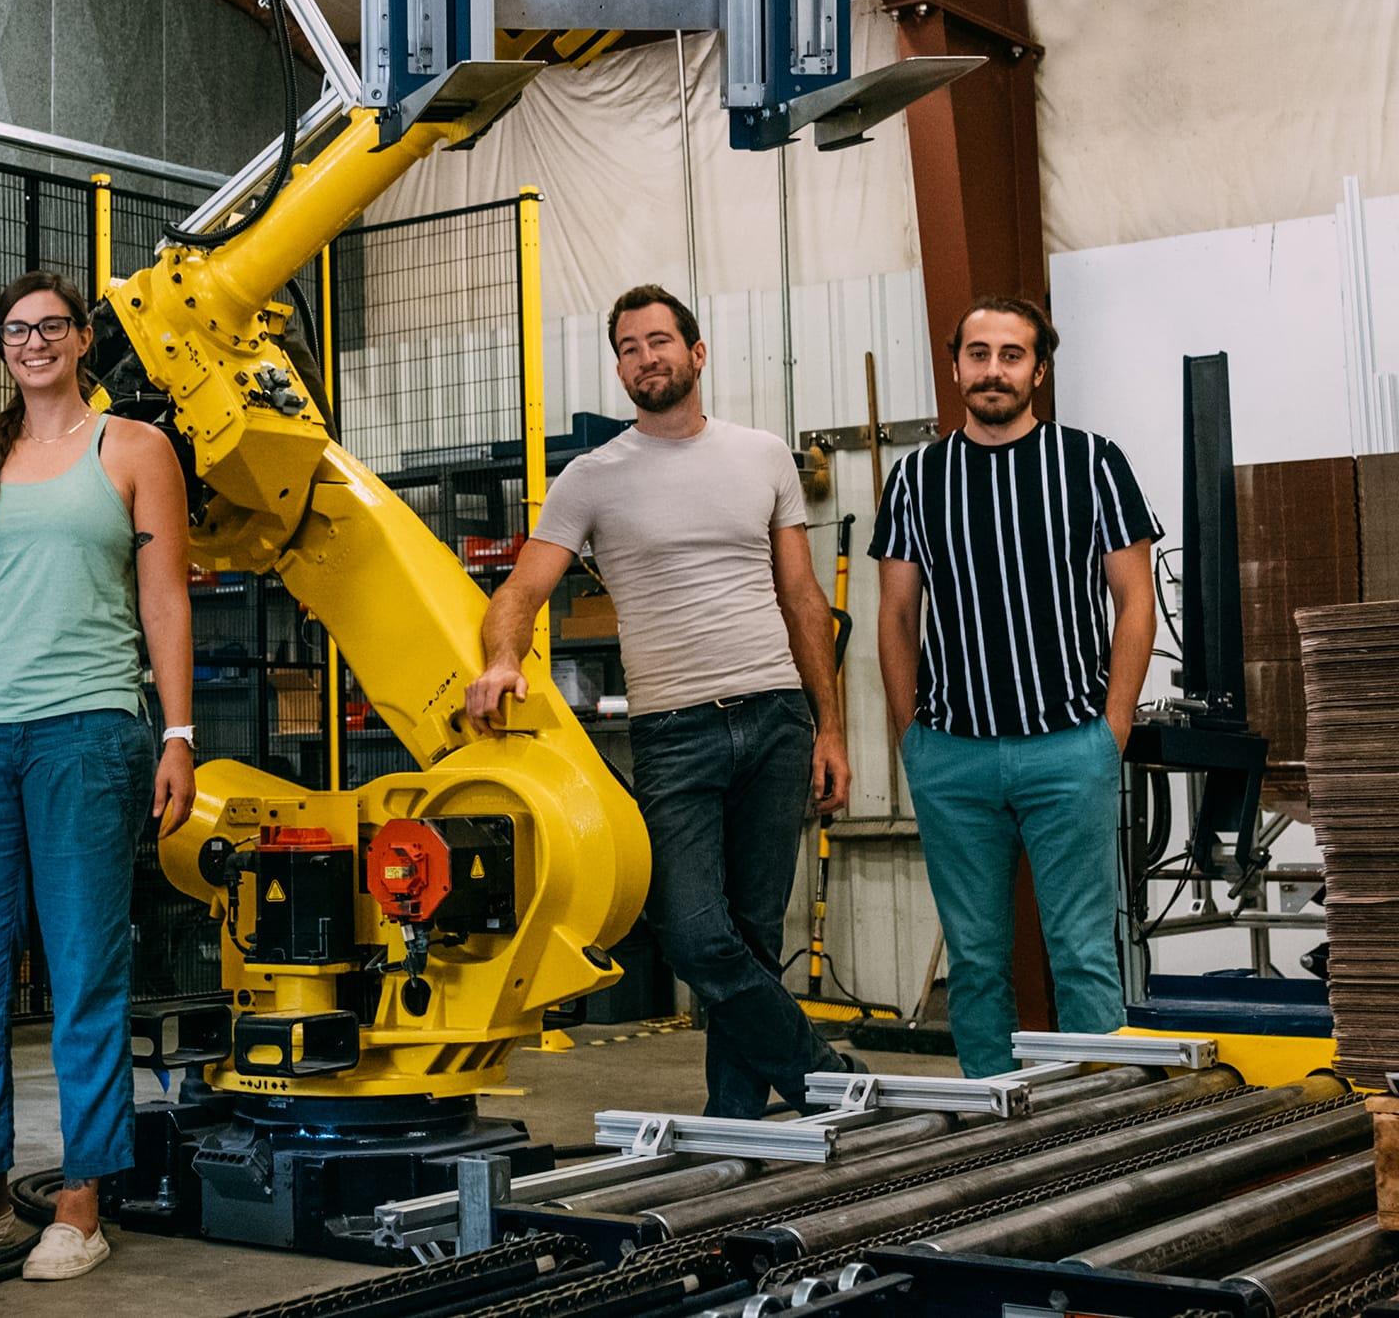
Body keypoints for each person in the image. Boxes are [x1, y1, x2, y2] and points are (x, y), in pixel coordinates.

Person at [467, 284, 860, 1118]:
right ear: (620, 367)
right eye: (628, 347)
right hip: (675, 731)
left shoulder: (762, 456)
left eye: (659, 340)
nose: (645, 356)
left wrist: (831, 727)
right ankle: (823, 1078)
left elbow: (803, 600)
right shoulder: (592, 477)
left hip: (776, 716)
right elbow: (518, 594)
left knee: (752, 936)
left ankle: (737, 1128)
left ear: (697, 352)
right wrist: (503, 660)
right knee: (691, 932)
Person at [0, 271, 198, 1283]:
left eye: (51, 328)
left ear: (81, 342)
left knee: (82, 971)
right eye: (15, 330)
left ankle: (80, 1201)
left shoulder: (137, 450)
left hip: (88, 731)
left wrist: (178, 731)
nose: (33, 343)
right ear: (2, 348)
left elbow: (164, 602)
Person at [870, 295, 1160, 1077]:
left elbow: (1136, 599)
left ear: (1039, 368)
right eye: (978, 353)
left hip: (1070, 749)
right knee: (975, 960)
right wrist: (913, 740)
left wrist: (1114, 728)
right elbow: (896, 616)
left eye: (1011, 354)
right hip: (952, 758)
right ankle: (993, 1131)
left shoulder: (1093, 461)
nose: (993, 369)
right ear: (956, 364)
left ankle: (1106, 1123)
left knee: (1082, 952)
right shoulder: (916, 478)